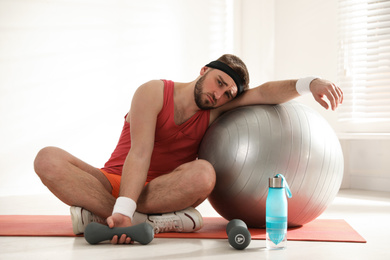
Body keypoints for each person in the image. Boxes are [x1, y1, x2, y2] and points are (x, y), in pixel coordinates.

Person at [34, 54, 343, 244]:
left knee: (204, 174)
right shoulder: (153, 91)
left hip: (162, 190)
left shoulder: (215, 110)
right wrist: (123, 209)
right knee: (47, 159)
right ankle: (135, 220)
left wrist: (309, 83)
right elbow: (139, 153)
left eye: (227, 93)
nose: (219, 95)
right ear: (204, 69)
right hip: (115, 179)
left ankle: (105, 217)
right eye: (219, 82)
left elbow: (264, 92)